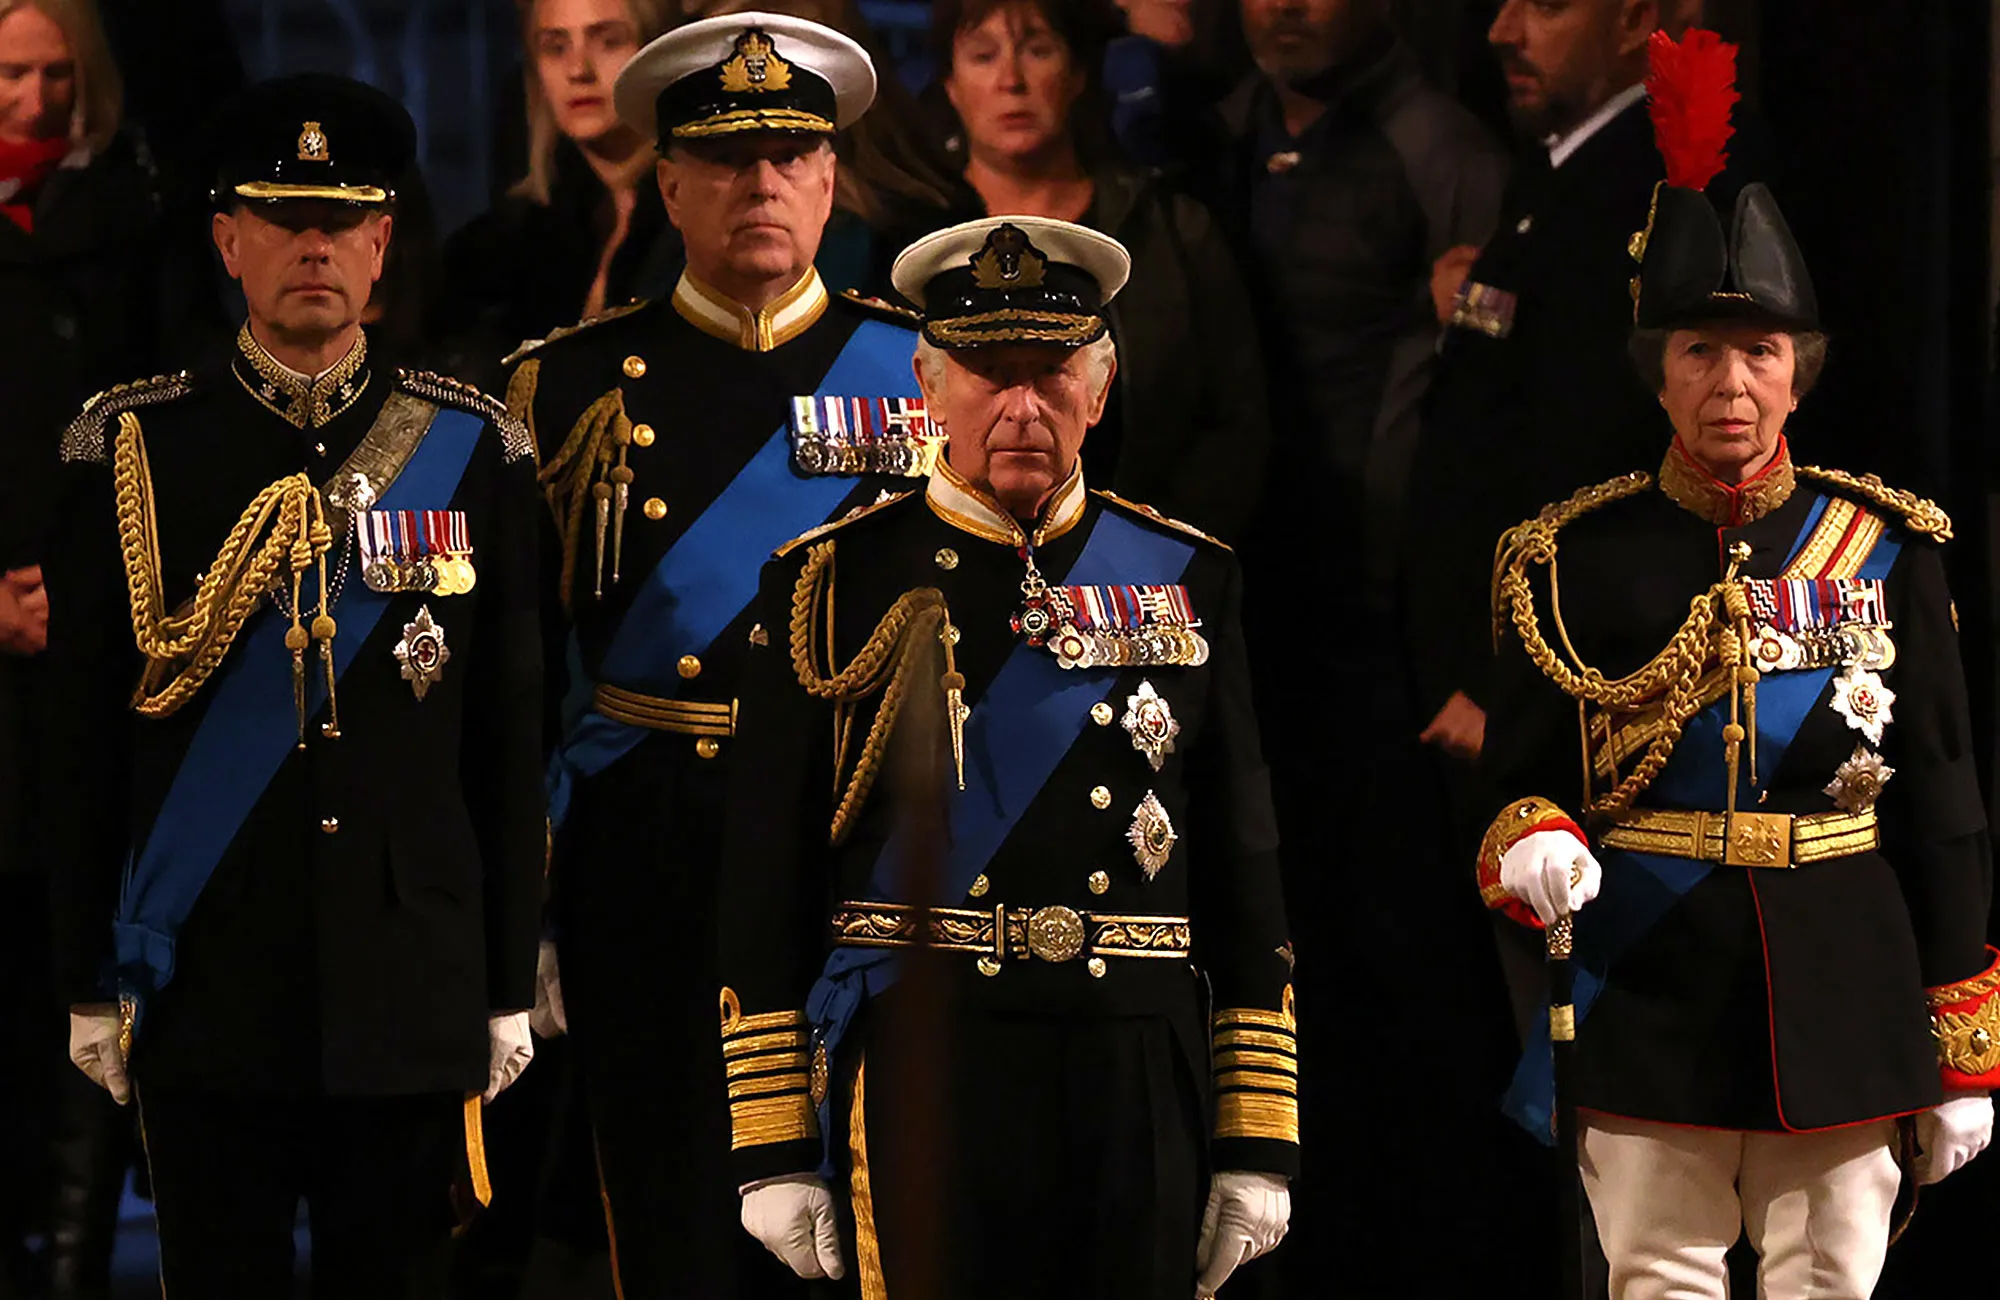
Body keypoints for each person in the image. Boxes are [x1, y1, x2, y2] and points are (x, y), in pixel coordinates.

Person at [1479, 30, 1996, 1299]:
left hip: (1844, 992)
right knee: (1657, 1280)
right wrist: (1532, 839)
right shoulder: (1569, 557)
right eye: (1699, 353)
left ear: (1798, 374)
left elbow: (1939, 805)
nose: (1730, 383)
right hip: (1646, 998)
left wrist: (1964, 1043)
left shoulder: (1883, 548)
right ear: (1655, 375)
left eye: (1758, 351)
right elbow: (1509, 785)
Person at [717, 215, 1294, 1299]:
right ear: (927, 384)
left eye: (1052, 371)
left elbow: (1242, 864)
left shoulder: (1187, 575)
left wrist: (1257, 1135)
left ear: (1102, 383)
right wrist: (774, 1145)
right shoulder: (826, 583)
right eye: (989, 372)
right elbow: (764, 876)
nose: (1022, 405)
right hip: (926, 1065)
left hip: (1132, 1065)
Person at [41, 75, 545, 1297]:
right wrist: (82, 977)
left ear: (382, 243)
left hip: (407, 978)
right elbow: (76, 744)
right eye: (278, 215)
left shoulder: (474, 447)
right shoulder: (128, 448)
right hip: (206, 977)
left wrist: (502, 982)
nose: (311, 244)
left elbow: (506, 737)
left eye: (342, 219)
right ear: (227, 241)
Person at [507, 14, 925, 1296]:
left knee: (865, 1198)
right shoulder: (567, 389)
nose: (763, 186)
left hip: (858, 835)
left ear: (829, 178)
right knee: (679, 1200)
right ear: (668, 183)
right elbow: (520, 677)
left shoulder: (922, 370)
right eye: (728, 162)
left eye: (793, 157)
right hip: (654, 843)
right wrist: (525, 904)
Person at [1202, 0, 1516, 1292]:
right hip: (1239, 619)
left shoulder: (1443, 150)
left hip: (1382, 638)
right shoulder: (1207, 139)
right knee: (1272, 955)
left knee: (1404, 975)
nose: (1283, 4)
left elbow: (1493, 402)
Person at [1409, 0, 1731, 765]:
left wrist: (1508, 689)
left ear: (1632, 22)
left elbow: (1608, 468)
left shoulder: (1651, 192)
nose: (1500, 30)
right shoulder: (1558, 170)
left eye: (1545, 6)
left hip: (1559, 698)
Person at [928, 0, 1268, 542]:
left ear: (1078, 74)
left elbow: (1236, 420)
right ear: (950, 85)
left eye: (1038, 51)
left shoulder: (1169, 229)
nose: (1011, 80)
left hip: (1147, 574)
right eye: (983, 56)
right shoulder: (917, 237)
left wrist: (1154, 552)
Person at [439, 0, 678, 384]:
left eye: (609, 41)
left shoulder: (701, 220)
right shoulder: (507, 246)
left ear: (656, 52)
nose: (579, 70)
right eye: (555, 47)